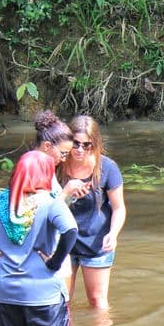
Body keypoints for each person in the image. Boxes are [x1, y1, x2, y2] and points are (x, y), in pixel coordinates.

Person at [0, 151, 78, 326]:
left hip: (6, 293)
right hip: (44, 294)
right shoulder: (51, 204)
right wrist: (54, 263)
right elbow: (71, 231)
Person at [57, 115, 126, 310]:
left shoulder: (107, 168)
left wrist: (113, 234)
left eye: (86, 145)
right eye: (75, 143)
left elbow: (119, 208)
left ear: (94, 144)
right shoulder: (59, 164)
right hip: (63, 242)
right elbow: (47, 206)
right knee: (61, 301)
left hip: (96, 242)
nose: (79, 150)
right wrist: (67, 192)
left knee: (97, 301)